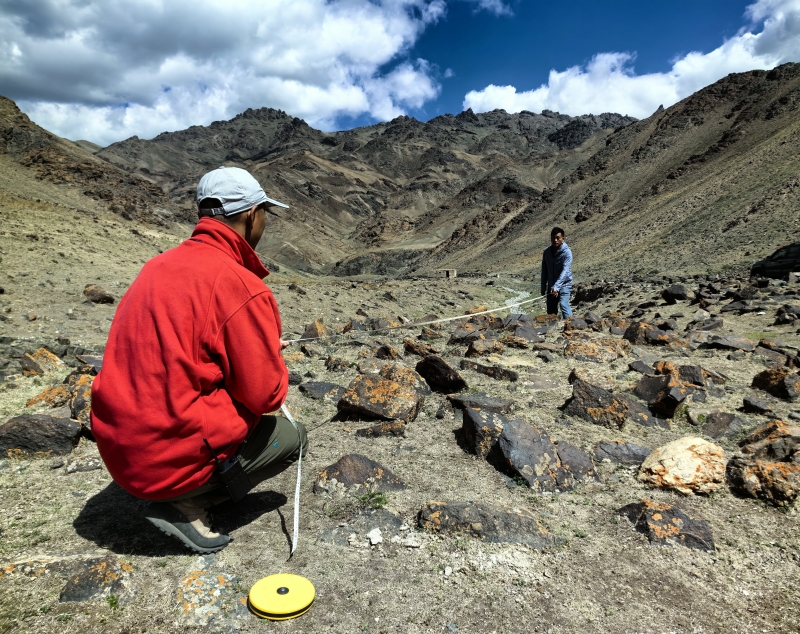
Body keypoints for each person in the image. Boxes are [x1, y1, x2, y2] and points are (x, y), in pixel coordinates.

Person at [91, 166, 307, 554]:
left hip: (120, 453)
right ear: (251, 215)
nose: (263, 224)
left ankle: (177, 486)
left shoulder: (156, 266)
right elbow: (266, 396)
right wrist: (268, 356)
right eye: (264, 214)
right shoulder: (241, 285)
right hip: (165, 462)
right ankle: (188, 503)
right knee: (291, 438)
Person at [540, 226, 573, 318]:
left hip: (565, 285)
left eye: (558, 238)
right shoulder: (546, 252)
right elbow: (544, 269)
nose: (555, 240)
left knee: (563, 304)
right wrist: (543, 286)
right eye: (553, 238)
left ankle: (572, 325)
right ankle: (552, 330)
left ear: (563, 239)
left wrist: (557, 287)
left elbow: (565, 271)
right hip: (551, 286)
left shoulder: (567, 253)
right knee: (551, 311)